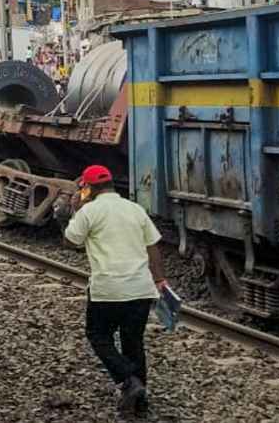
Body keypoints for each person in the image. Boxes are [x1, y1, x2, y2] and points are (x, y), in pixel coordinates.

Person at [64, 165, 167, 415]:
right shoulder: (135, 209)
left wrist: (75, 210)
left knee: (98, 335)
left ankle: (128, 380)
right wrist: (160, 279)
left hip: (108, 289)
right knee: (133, 341)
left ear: (87, 189)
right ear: (110, 184)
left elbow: (70, 241)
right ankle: (140, 404)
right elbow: (153, 246)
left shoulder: (89, 211)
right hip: (141, 289)